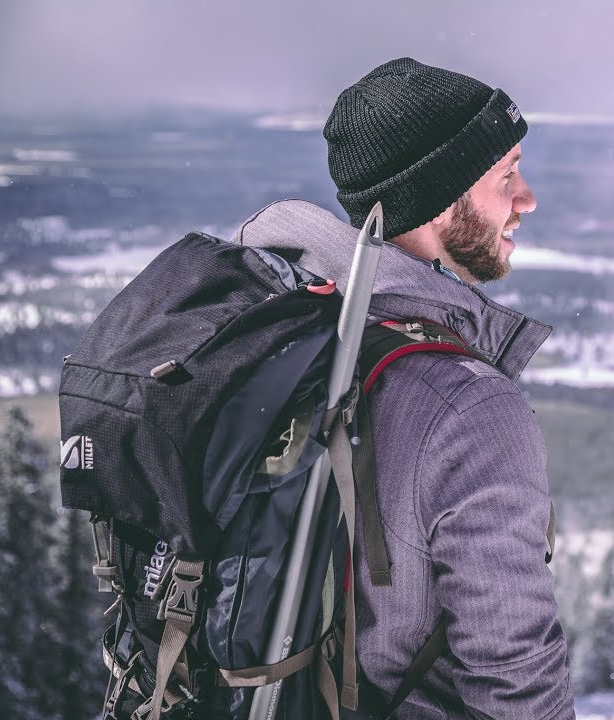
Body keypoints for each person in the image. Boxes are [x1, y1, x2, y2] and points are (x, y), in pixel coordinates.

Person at [235, 57, 575, 719]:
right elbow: (515, 680)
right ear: (441, 198)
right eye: (506, 174)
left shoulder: (282, 329)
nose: (526, 198)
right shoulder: (470, 406)